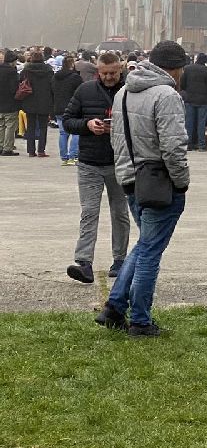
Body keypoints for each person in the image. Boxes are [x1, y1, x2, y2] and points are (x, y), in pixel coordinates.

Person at [95, 40, 191, 337]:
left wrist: (125, 172)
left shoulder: (124, 92)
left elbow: (117, 139)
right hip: (159, 182)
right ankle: (139, 319)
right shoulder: (166, 94)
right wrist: (182, 180)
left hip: (130, 178)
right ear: (174, 69)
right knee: (151, 250)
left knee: (145, 243)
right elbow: (173, 146)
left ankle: (114, 306)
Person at [62, 52, 129, 282]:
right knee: (89, 213)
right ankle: (83, 263)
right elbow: (68, 120)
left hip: (119, 162)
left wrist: (118, 128)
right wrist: (88, 124)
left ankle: (120, 260)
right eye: (104, 73)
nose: (109, 77)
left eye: (113, 73)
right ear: (98, 71)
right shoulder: (85, 90)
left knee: (120, 213)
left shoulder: (130, 90)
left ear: (120, 69)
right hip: (89, 162)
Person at [19, 49, 55, 158]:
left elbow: (20, 81)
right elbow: (52, 86)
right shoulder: (49, 70)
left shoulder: (26, 70)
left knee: (30, 126)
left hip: (29, 100)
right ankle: (41, 150)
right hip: (44, 100)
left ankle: (31, 151)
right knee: (43, 127)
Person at [52, 55, 84, 165]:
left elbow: (52, 91)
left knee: (63, 133)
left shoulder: (55, 77)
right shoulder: (76, 78)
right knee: (75, 132)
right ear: (72, 64)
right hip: (72, 108)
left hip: (58, 107)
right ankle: (73, 156)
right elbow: (81, 93)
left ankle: (64, 157)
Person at [179, 52, 207, 151]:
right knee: (201, 123)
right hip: (203, 101)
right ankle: (201, 145)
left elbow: (182, 83)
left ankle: (189, 144)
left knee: (189, 122)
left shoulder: (187, 69)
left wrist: (186, 92)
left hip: (189, 99)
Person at [0, 49, 19, 156]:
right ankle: (7, 148)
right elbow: (13, 89)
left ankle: (0, 145)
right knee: (10, 126)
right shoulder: (12, 71)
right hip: (9, 103)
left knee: (1, 126)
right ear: (13, 61)